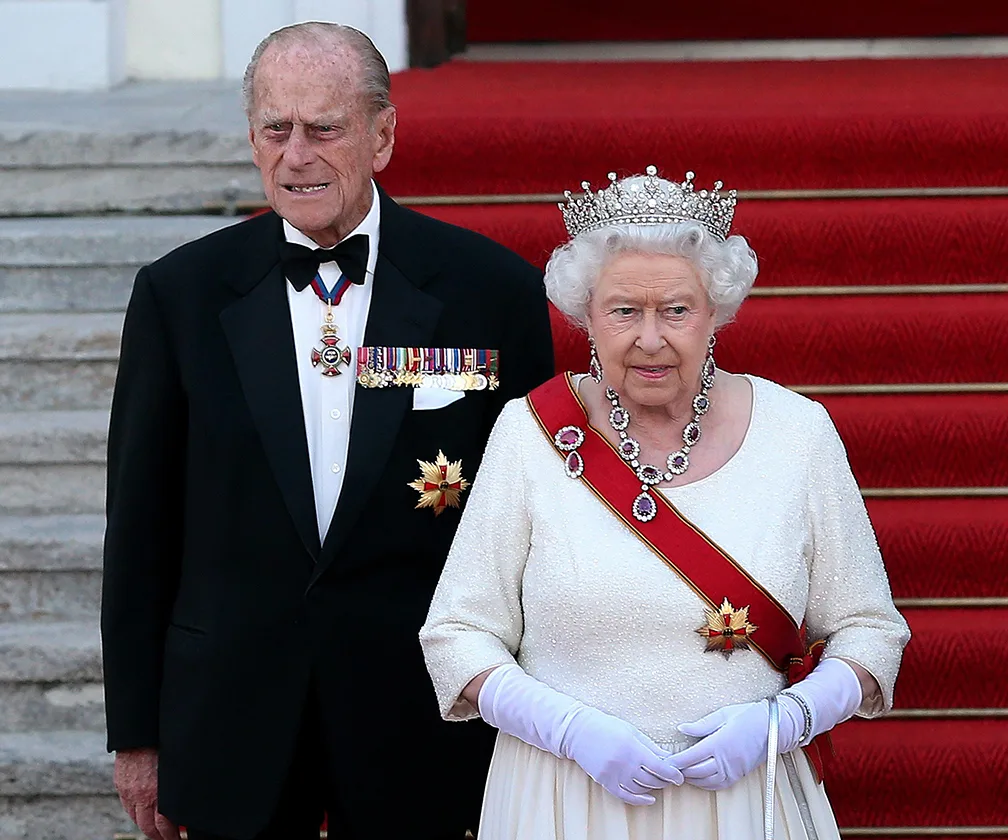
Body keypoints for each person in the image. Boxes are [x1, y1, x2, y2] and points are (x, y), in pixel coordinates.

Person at [101, 22, 553, 840]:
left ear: (382, 135)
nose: (297, 155)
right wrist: (137, 737)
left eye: (324, 128)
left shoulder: (493, 293)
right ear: (251, 140)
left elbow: (535, 520)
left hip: (422, 712)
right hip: (230, 712)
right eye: (277, 130)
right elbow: (139, 530)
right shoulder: (179, 296)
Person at [419, 167, 910, 840]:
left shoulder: (798, 433)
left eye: (676, 309)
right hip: (562, 798)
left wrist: (784, 720)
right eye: (624, 310)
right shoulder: (528, 434)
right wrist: (567, 730)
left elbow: (871, 630)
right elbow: (456, 635)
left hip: (745, 801)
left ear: (716, 311)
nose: (650, 339)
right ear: (585, 315)